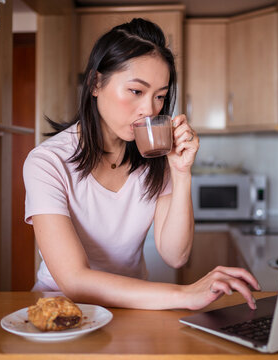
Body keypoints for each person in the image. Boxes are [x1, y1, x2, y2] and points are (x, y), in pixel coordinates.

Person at [23, 18, 260, 310]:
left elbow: (176, 255)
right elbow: (74, 280)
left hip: (132, 309)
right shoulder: (47, 161)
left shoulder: (153, 158)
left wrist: (182, 172)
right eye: (136, 91)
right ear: (96, 83)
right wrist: (184, 294)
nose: (149, 110)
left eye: (159, 96)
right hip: (61, 310)